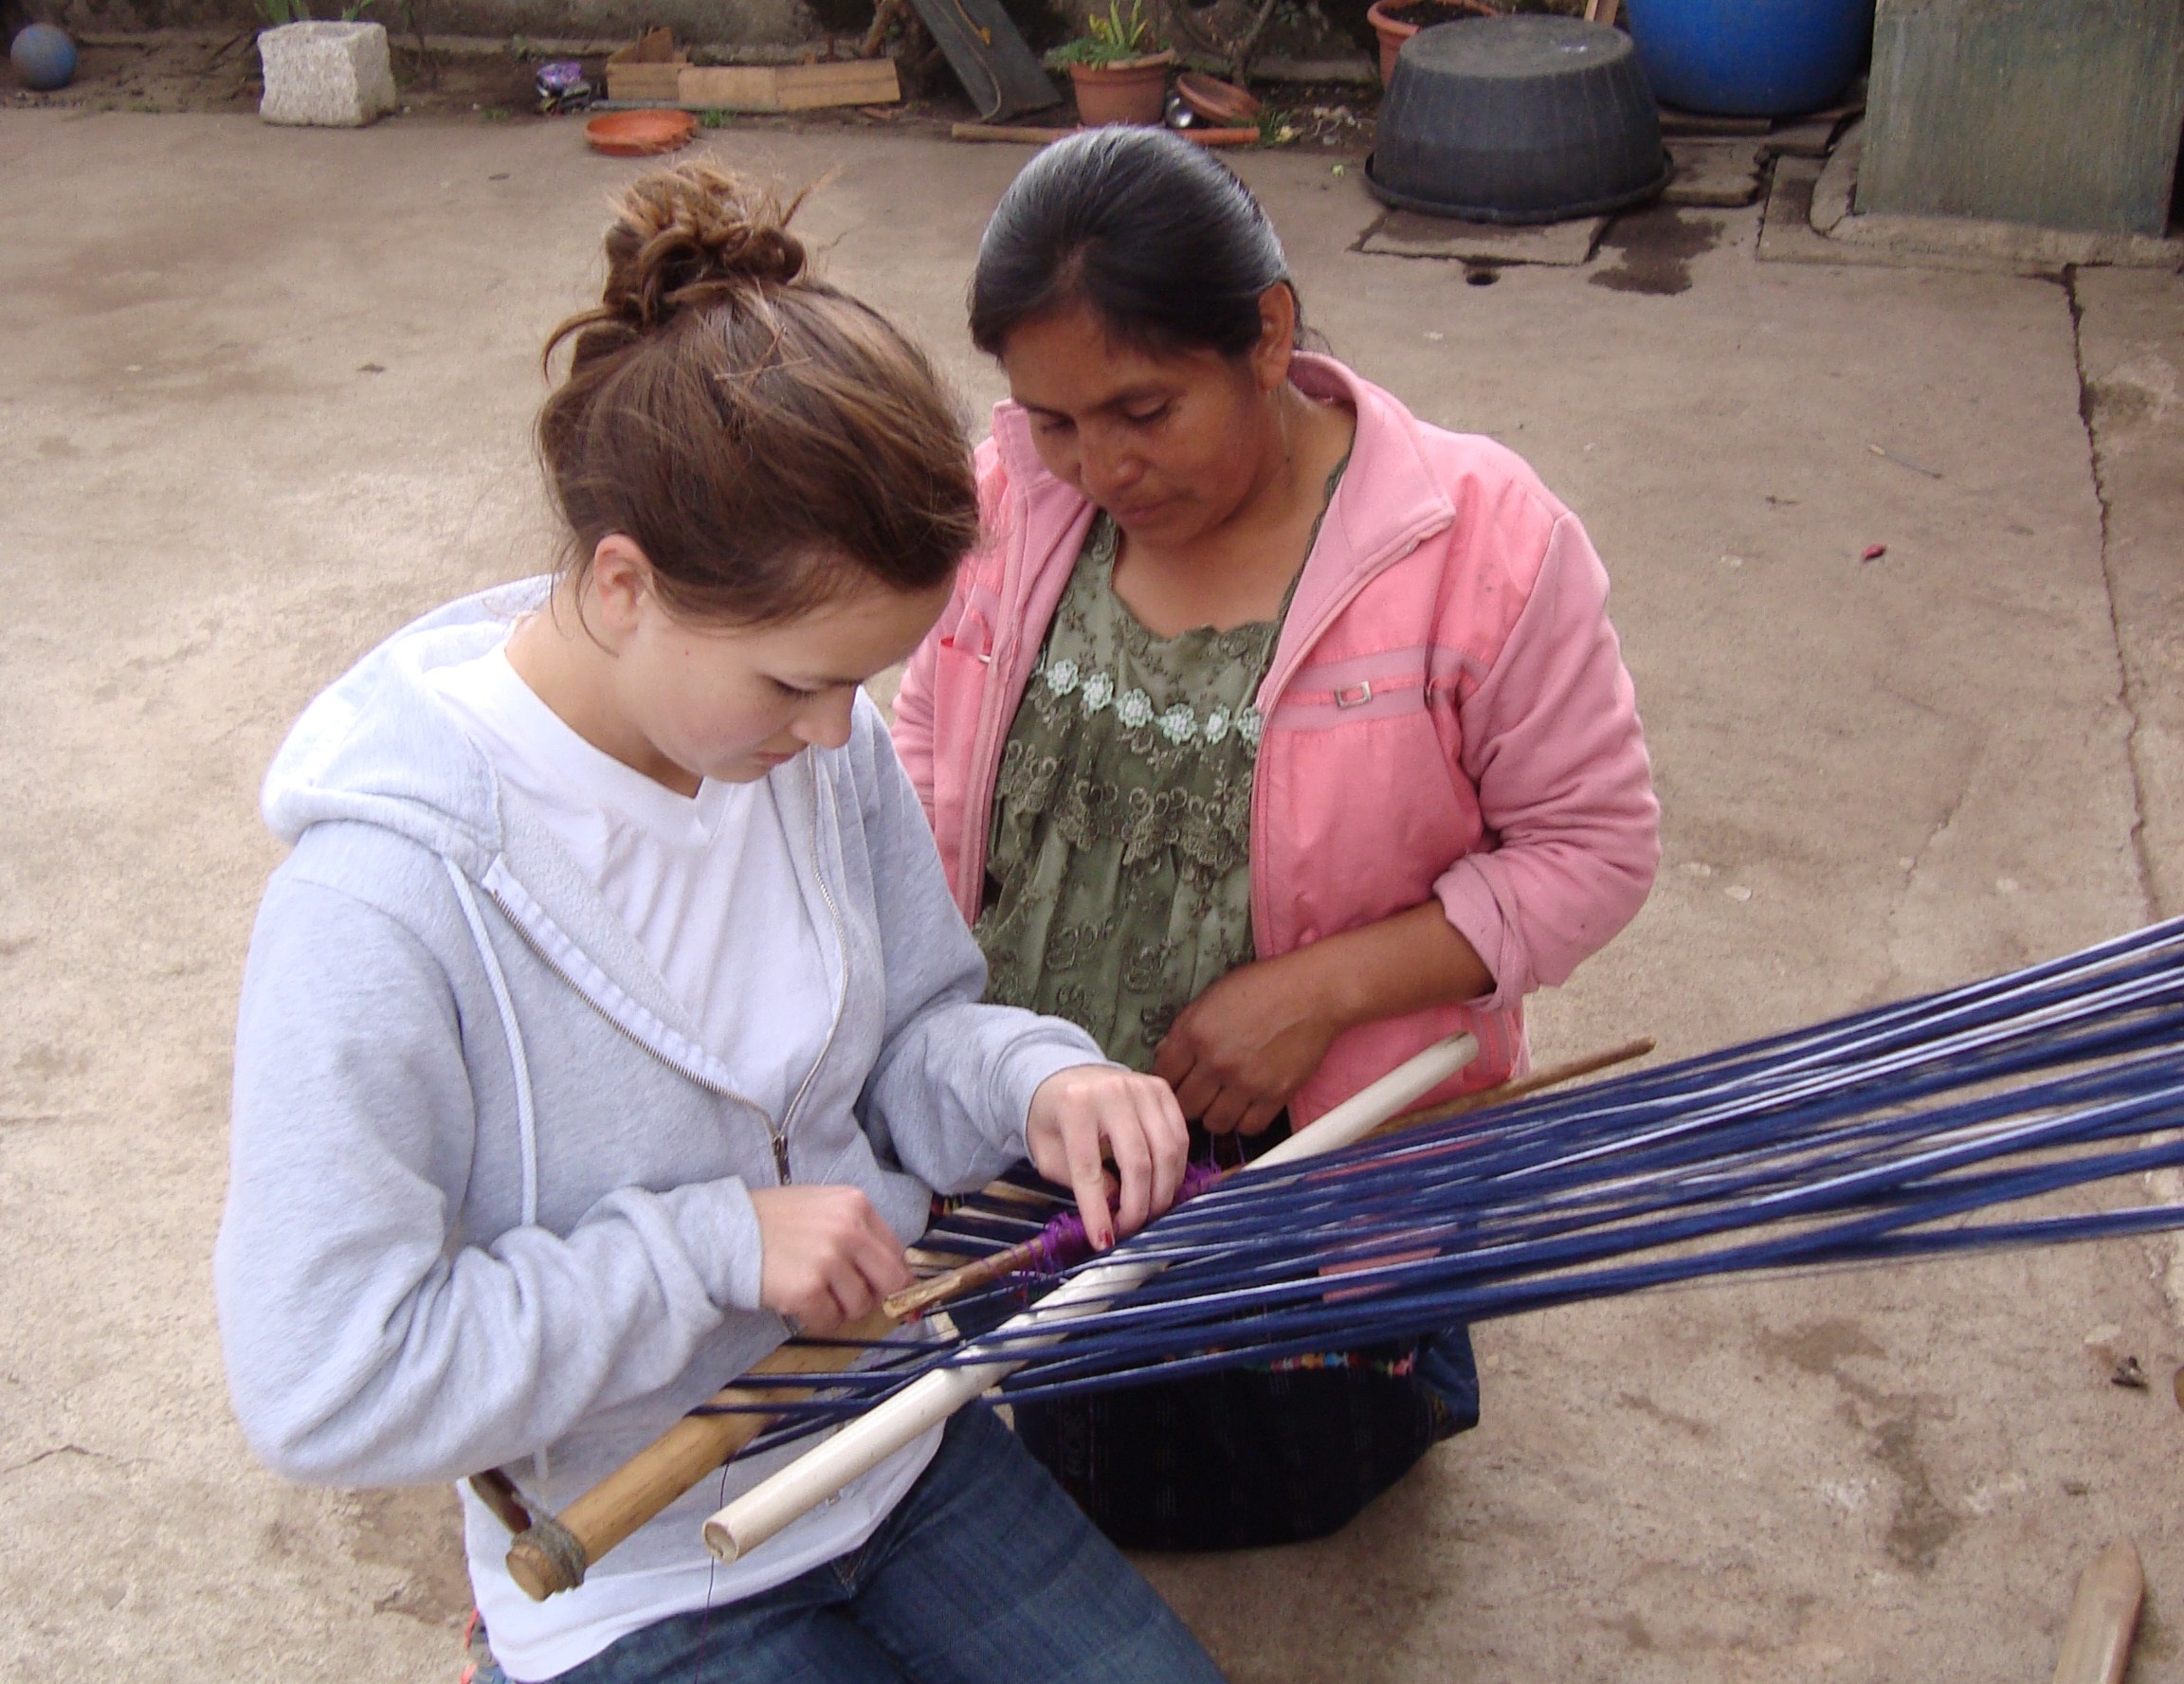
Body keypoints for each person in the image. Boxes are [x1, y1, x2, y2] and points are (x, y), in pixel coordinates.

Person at [213, 162, 1227, 1684]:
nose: (839, 738)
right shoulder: (384, 907)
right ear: (622, 584)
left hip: (886, 1432)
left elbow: (911, 1038)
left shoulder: (817, 750)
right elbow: (325, 1380)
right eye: (794, 682)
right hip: (621, 1549)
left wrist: (1036, 1079)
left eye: (861, 681)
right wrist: (707, 1250)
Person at [892, 128, 1660, 1550]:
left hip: (1312, 1160)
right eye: (1053, 418)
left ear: (1268, 334)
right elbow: (929, 730)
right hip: (1039, 1138)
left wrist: (1312, 995)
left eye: (1142, 408)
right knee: (1059, 1441)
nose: (1097, 465)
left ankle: (1393, 1336)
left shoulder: (1479, 542)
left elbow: (1594, 846)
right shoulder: (1015, 500)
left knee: (1259, 1476)